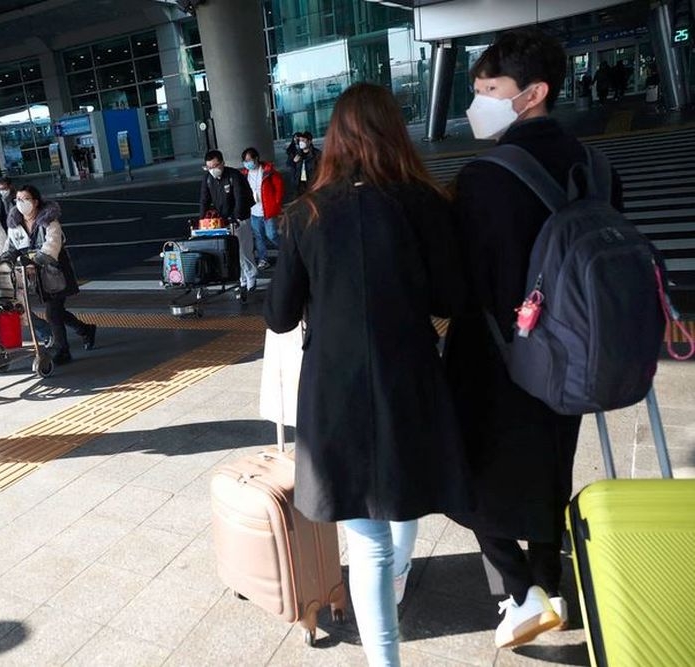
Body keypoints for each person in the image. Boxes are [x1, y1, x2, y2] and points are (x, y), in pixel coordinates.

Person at [265, 83, 471, 667]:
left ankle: (386, 658)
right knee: (400, 498)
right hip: (408, 375)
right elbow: (452, 296)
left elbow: (279, 316)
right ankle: (399, 576)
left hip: (335, 389)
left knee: (366, 541)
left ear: (334, 139)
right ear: (393, 132)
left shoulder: (305, 213)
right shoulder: (424, 202)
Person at [446, 29, 624, 649]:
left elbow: (464, 282)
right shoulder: (598, 167)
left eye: (489, 89)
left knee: (466, 474)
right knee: (551, 468)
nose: (478, 103)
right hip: (579, 355)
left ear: (533, 93)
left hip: (500, 355)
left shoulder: (486, 176)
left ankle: (522, 593)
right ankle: (556, 586)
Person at [5, 185, 96, 364]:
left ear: (36, 202)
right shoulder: (15, 226)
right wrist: (3, 261)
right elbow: (10, 249)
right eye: (18, 200)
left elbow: (51, 247)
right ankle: (85, 329)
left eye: (26, 199)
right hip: (35, 276)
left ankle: (63, 351)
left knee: (53, 313)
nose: (21, 203)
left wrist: (34, 262)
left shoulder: (50, 222)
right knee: (57, 312)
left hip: (55, 273)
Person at [198, 150, 257, 297]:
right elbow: (204, 200)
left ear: (223, 163)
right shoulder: (208, 179)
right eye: (209, 167)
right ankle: (241, 279)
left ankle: (251, 277)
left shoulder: (234, 176)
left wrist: (236, 217)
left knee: (243, 250)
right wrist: (201, 220)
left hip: (240, 219)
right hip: (223, 220)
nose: (213, 170)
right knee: (232, 253)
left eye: (215, 166)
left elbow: (240, 198)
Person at [240, 147, 284, 270]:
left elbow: (279, 187)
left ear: (256, 158)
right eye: (245, 160)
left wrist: (276, 203)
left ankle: (286, 250)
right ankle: (263, 259)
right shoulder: (244, 174)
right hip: (254, 211)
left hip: (268, 210)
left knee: (272, 235)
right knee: (259, 237)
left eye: (249, 160)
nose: (247, 163)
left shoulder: (268, 171)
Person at [286, 131, 321, 196]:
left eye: (303, 140)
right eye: (300, 140)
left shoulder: (317, 154)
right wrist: (294, 162)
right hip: (299, 185)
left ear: (309, 141)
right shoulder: (296, 153)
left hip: (312, 185)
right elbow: (290, 166)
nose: (301, 142)